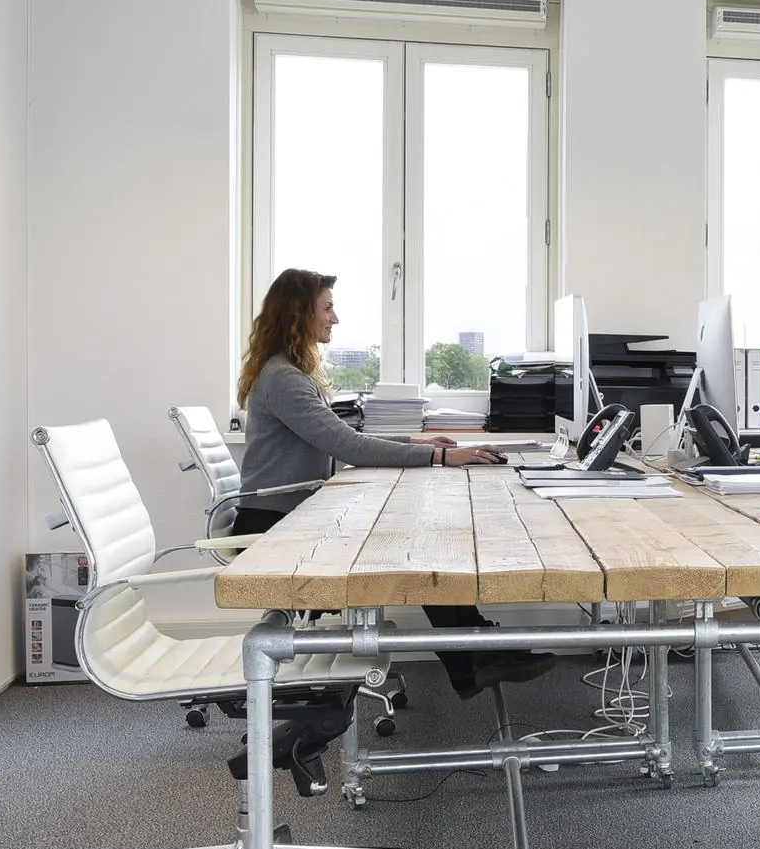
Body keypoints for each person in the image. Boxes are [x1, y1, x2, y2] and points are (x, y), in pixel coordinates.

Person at [234, 267, 546, 699]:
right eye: (326, 308)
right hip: (275, 527)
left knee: (419, 539)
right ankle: (472, 654)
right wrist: (439, 456)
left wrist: (416, 441)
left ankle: (473, 651)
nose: (334, 318)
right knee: (414, 542)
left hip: (294, 516)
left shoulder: (286, 372)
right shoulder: (285, 379)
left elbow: (346, 437)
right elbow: (348, 445)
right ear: (298, 314)